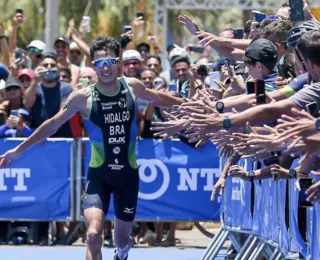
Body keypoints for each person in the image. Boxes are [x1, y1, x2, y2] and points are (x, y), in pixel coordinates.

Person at [0, 35, 183, 260]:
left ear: (117, 63)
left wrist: (191, 104)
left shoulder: (132, 87)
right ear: (93, 65)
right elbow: (52, 124)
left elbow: (159, 98)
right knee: (94, 234)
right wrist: (19, 149)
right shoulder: (82, 98)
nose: (105, 68)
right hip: (99, 177)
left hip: (128, 177)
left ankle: (122, 252)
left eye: (109, 63)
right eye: (99, 63)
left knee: (122, 240)